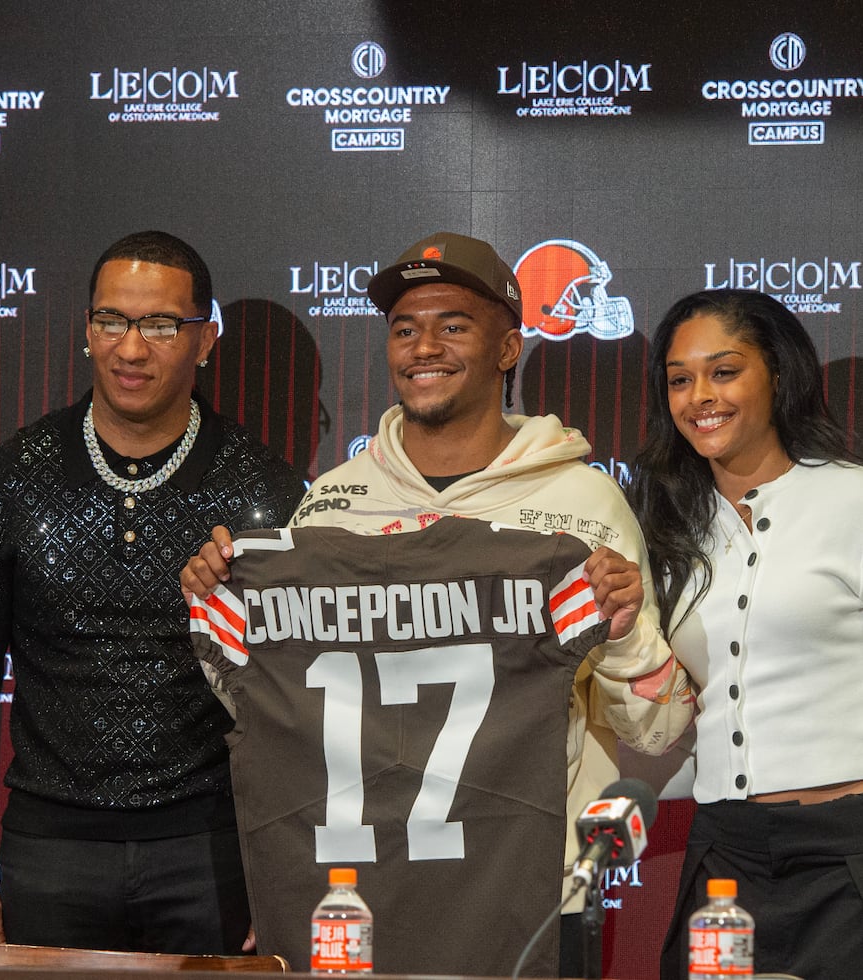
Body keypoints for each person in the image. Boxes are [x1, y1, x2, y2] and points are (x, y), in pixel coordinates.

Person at [181, 230, 694, 975]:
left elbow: (659, 727)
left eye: (454, 325)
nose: (425, 346)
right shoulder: (330, 505)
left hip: (529, 898)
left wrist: (622, 636)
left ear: (509, 348)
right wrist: (219, 613)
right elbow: (276, 713)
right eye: (404, 328)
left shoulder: (581, 501)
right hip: (356, 894)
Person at [0, 230, 305, 964]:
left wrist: (283, 870)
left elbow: (296, 705)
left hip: (211, 853)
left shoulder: (265, 492)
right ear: (88, 330)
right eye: (111, 322)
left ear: (205, 339)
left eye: (161, 325)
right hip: (49, 850)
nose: (131, 349)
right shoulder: (11, 481)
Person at [625, 289, 863, 980]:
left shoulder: (850, 499)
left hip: (847, 855)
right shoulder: (667, 529)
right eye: (679, 379)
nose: (700, 396)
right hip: (724, 855)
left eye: (724, 371)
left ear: (780, 376)